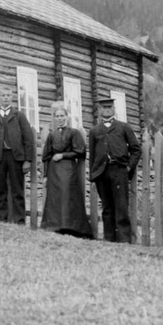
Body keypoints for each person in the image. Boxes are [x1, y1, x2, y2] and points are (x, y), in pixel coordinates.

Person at [88, 95, 141, 243]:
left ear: (114, 109)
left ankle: (124, 239)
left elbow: (136, 149)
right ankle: (109, 238)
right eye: (104, 107)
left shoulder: (124, 127)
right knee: (107, 207)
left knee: (121, 206)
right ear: (99, 110)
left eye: (109, 107)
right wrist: (93, 175)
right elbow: (92, 155)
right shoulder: (94, 131)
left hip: (119, 171)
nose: (107, 110)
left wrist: (129, 167)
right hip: (102, 173)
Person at [40, 101, 93, 238]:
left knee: (68, 196)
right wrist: (45, 175)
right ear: (54, 118)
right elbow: (46, 156)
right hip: (54, 171)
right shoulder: (52, 136)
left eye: (62, 116)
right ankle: (55, 225)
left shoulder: (73, 133)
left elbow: (80, 151)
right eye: (57, 116)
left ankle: (71, 227)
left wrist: (63, 155)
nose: (60, 118)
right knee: (55, 198)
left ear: (67, 117)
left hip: (68, 169)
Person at [0, 86, 35, 224]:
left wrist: (27, 160)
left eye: (8, 95)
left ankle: (19, 220)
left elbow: (28, 139)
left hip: (15, 157)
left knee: (17, 190)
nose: (6, 98)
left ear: (11, 97)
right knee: (0, 189)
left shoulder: (19, 116)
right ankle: (1, 218)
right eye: (3, 95)